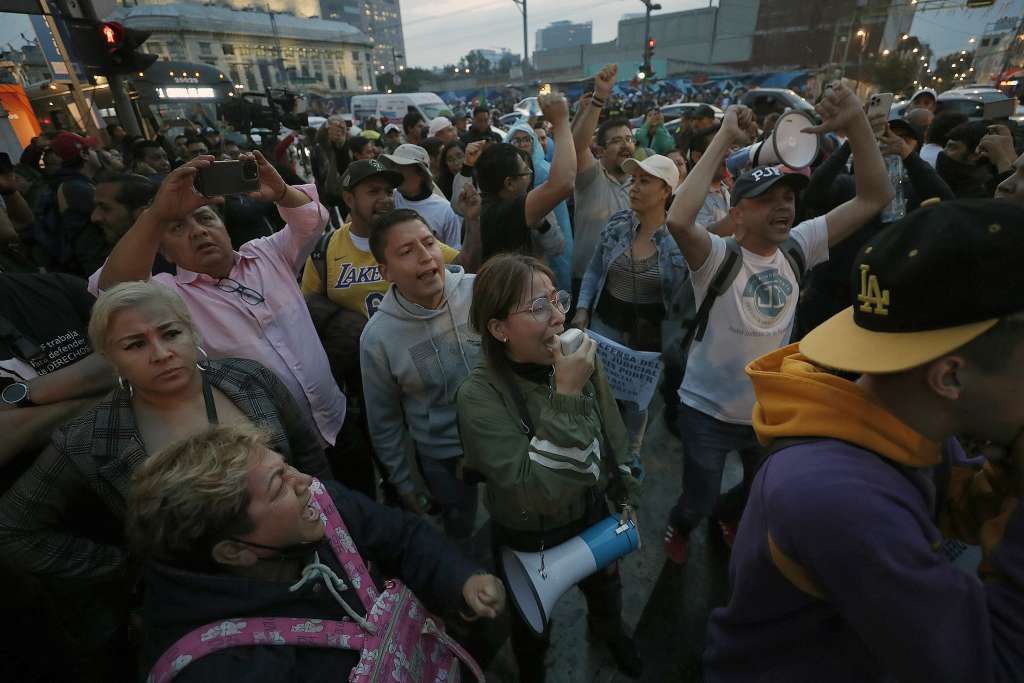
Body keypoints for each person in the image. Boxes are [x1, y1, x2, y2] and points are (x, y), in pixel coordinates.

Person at [704, 200, 1024, 682]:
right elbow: (994, 665)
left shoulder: (898, 421)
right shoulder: (844, 500)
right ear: (950, 377)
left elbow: (958, 502)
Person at [662, 87, 893, 565]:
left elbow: (875, 196)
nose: (784, 206)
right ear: (738, 215)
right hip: (705, 413)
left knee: (759, 489)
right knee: (698, 496)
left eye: (788, 197)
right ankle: (681, 526)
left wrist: (857, 123)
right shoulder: (717, 257)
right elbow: (680, 219)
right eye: (767, 199)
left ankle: (728, 517)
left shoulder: (798, 246)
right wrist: (725, 135)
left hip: (769, 409)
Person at [128, 423, 505, 681]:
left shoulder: (319, 506)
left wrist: (460, 579)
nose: (306, 481)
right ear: (234, 551)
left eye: (284, 467)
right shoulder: (220, 669)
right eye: (279, 487)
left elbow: (402, 536)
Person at [90, 153, 349, 463]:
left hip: (337, 420)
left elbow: (311, 219)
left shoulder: (266, 254)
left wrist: (281, 191)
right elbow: (114, 289)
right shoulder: (167, 297)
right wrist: (157, 215)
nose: (198, 231)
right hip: (272, 451)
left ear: (224, 227)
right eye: (177, 228)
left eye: (206, 219)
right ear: (164, 253)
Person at [456, 254, 643, 681]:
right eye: (539, 307)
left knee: (605, 588)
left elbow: (611, 428)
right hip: (528, 531)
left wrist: (627, 490)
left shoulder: (576, 357)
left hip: (591, 509)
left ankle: (611, 633)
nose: (559, 317)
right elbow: (534, 491)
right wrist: (567, 393)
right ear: (499, 329)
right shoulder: (478, 396)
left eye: (557, 300)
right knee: (531, 620)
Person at [360, 209, 479, 541]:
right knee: (462, 537)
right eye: (406, 251)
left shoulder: (479, 291)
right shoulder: (378, 339)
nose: (426, 256)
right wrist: (406, 484)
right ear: (385, 271)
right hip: (444, 460)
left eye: (429, 243)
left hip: (505, 439)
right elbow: (384, 422)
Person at [573, 155, 682, 476]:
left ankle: (631, 452)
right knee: (596, 391)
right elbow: (594, 270)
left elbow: (684, 302)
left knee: (637, 401)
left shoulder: (679, 241)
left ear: (666, 191)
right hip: (604, 327)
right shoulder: (617, 224)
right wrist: (582, 309)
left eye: (645, 181)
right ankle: (596, 447)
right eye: (633, 180)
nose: (634, 188)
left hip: (647, 341)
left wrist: (671, 343)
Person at [475, 92, 573, 263]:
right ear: (509, 183)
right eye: (525, 172)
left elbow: (557, 247)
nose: (531, 174)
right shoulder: (505, 210)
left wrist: (542, 225)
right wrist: (561, 121)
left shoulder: (483, 206)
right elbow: (564, 184)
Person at [571, 64, 635, 294]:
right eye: (616, 141)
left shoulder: (641, 181)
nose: (626, 145)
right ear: (599, 151)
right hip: (587, 280)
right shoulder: (591, 176)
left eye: (629, 139)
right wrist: (599, 98)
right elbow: (577, 146)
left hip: (628, 282)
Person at [506, 121, 574, 290]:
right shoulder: (505, 174)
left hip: (549, 229)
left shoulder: (545, 170)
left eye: (526, 139)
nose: (522, 144)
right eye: (516, 140)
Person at [34, 131, 103, 276]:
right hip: (95, 265)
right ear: (84, 154)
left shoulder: (68, 183)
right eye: (91, 149)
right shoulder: (77, 188)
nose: (96, 153)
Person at [382, 144, 463, 249]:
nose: (395, 173)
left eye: (401, 167)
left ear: (420, 172)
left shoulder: (445, 211)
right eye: (393, 166)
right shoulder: (388, 200)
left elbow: (454, 252)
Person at [937, 120, 1002, 199]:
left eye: (953, 147)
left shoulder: (982, 194)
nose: (944, 152)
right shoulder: (944, 182)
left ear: (977, 154)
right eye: (945, 146)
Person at [311, 117, 352, 226]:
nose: (337, 133)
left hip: (349, 189)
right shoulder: (325, 147)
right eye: (335, 129)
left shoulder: (349, 145)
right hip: (333, 190)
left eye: (341, 129)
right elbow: (320, 137)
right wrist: (328, 123)